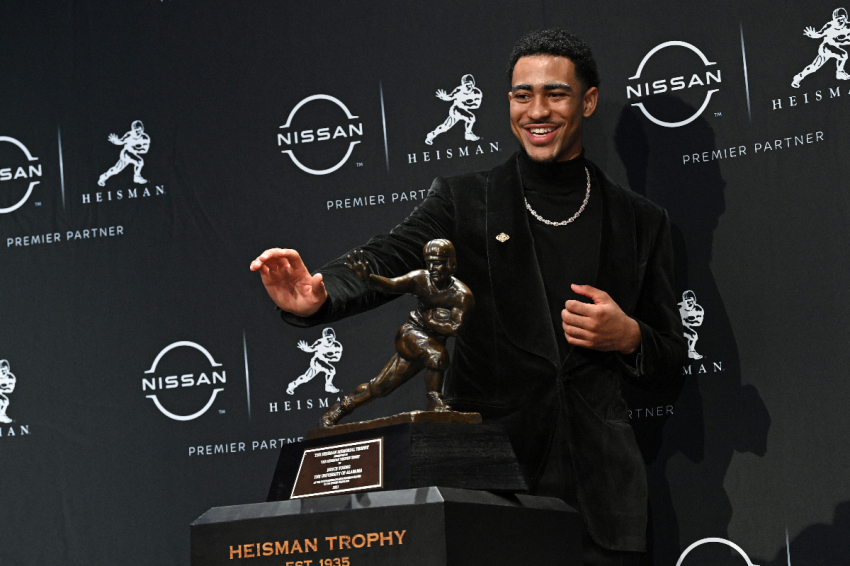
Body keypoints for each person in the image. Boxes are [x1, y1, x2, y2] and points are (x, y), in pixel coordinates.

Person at [251, 29, 685, 566]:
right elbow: (390, 255)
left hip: (604, 505)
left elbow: (671, 361)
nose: (537, 110)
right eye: (522, 95)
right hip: (492, 491)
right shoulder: (464, 200)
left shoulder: (641, 222)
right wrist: (320, 295)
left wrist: (630, 336)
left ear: (588, 101)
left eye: (556, 93)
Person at [320, 241, 474, 427]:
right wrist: (369, 279)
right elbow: (392, 285)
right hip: (411, 334)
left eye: (439, 262)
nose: (432, 268)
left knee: (380, 387)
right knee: (437, 355)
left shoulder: (461, 295)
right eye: (429, 263)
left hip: (429, 340)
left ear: (452, 264)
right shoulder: (420, 279)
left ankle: (340, 407)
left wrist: (431, 321)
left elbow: (456, 329)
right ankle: (435, 400)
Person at [792, 7, 850, 88]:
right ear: (834, 19)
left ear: (846, 18)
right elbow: (819, 34)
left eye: (842, 18)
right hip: (826, 47)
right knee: (843, 55)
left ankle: (799, 77)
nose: (840, 21)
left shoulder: (848, 27)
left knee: (814, 67)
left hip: (835, 48)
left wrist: (843, 41)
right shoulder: (830, 26)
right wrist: (812, 35)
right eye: (838, 18)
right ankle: (840, 72)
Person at [425, 74, 483, 144]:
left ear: (473, 84)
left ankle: (431, 135)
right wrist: (444, 97)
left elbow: (477, 105)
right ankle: (468, 134)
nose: (468, 86)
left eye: (470, 84)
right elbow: (450, 97)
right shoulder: (459, 90)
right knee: (471, 118)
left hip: (464, 110)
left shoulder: (477, 93)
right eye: (466, 84)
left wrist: (466, 104)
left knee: (445, 127)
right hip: (455, 110)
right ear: (463, 84)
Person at [287, 327, 343, 395]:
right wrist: (305, 348)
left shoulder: (337, 346)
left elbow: (337, 358)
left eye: (331, 337)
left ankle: (292, 385)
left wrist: (327, 357)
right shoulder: (320, 342)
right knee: (331, 370)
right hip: (316, 361)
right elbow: (311, 349)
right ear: (323, 337)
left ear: (334, 337)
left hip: (324, 362)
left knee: (306, 378)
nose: (329, 339)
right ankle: (328, 386)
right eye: (327, 337)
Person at [98, 120, 150, 186]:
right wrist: (115, 141)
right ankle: (137, 177)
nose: (138, 132)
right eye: (136, 131)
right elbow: (121, 141)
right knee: (139, 161)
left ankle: (103, 177)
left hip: (133, 154)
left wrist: (135, 149)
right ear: (132, 130)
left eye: (139, 131)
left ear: (142, 130)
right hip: (126, 153)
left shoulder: (145, 138)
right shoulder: (129, 135)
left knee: (116, 169)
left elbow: (145, 150)